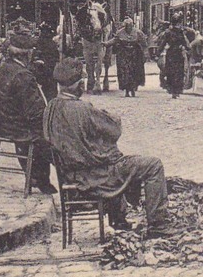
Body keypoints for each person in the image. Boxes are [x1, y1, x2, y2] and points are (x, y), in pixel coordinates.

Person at [43, 57, 169, 236]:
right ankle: (159, 226)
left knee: (111, 154)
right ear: (79, 84)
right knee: (153, 165)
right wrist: (110, 117)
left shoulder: (50, 107)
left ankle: (119, 219)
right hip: (96, 177)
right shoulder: (83, 109)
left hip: (71, 174)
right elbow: (113, 129)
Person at [0, 31, 56, 194]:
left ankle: (36, 176)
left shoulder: (3, 69)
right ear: (26, 55)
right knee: (57, 142)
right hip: (22, 129)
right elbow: (34, 112)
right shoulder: (24, 76)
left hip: (6, 124)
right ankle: (51, 182)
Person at [75, 0, 110, 94]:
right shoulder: (83, 14)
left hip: (101, 38)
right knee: (89, 62)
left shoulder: (103, 16)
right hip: (87, 37)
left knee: (100, 61)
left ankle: (99, 81)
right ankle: (90, 80)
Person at [110, 16, 147, 98]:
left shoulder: (138, 32)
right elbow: (114, 40)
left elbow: (144, 43)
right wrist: (106, 43)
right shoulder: (120, 33)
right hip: (124, 55)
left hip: (135, 56)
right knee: (125, 73)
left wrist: (145, 54)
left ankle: (133, 89)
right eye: (127, 26)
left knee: (134, 72)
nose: (128, 27)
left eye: (130, 26)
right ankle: (126, 90)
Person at [156, 11, 191, 98]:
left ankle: (173, 90)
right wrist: (187, 48)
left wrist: (158, 52)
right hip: (178, 53)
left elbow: (163, 43)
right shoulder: (180, 32)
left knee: (171, 72)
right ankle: (177, 90)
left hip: (171, 53)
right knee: (178, 72)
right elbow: (185, 42)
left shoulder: (168, 32)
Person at [32, 22, 60, 103]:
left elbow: (35, 55)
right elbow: (57, 56)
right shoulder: (52, 43)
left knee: (43, 88)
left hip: (42, 68)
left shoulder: (38, 42)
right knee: (51, 88)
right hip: (51, 68)